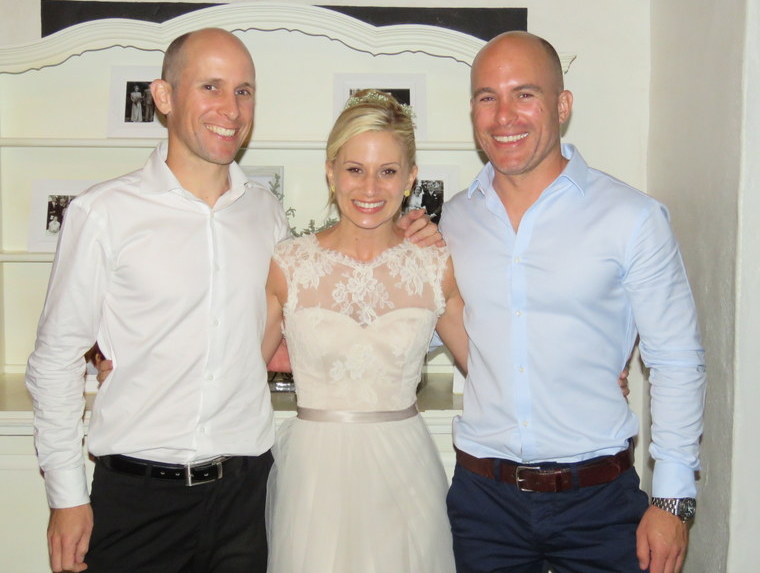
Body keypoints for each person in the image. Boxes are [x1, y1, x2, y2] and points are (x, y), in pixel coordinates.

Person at [25, 29, 439, 573]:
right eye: (211, 87)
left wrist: (401, 240)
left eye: (244, 91)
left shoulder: (266, 214)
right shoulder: (103, 214)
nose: (231, 108)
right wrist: (66, 495)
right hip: (137, 496)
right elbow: (54, 360)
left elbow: (299, 324)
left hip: (247, 498)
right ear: (164, 96)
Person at [441, 31, 706, 573]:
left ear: (562, 106)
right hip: (483, 503)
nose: (504, 115)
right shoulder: (453, 220)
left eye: (525, 94)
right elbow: (425, 324)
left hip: (600, 503)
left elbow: (676, 359)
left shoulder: (632, 218)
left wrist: (672, 499)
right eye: (488, 97)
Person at [261, 90, 467, 573]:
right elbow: (237, 366)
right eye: (355, 169)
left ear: (410, 178)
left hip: (405, 472)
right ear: (331, 171)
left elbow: (490, 365)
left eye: (387, 171)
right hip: (315, 477)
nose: (370, 187)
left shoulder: (436, 264)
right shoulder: (288, 263)